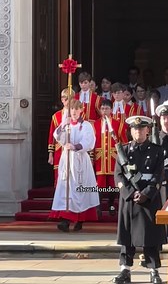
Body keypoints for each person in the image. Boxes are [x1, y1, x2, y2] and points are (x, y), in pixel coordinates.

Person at [113, 115, 165, 284]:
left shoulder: (156, 150)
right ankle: (125, 270)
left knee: (150, 237)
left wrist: (147, 193)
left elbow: (159, 175)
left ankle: (153, 270)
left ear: (147, 130)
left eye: (141, 128)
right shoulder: (125, 151)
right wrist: (129, 193)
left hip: (148, 198)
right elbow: (119, 176)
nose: (138, 131)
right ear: (131, 131)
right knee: (127, 236)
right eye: (135, 129)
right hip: (129, 200)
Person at [49, 99, 99, 231]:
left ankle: (79, 219)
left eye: (77, 109)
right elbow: (57, 136)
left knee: (79, 189)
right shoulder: (67, 124)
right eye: (72, 109)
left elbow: (89, 141)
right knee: (66, 188)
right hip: (67, 159)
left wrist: (76, 146)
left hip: (80, 159)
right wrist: (62, 126)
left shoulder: (86, 125)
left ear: (81, 110)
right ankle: (65, 219)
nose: (74, 112)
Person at [93, 99, 127, 217]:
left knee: (113, 185)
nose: (104, 111)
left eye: (107, 108)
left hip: (113, 159)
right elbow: (92, 142)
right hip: (100, 159)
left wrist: (122, 158)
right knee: (100, 185)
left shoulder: (118, 124)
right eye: (102, 109)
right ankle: (99, 207)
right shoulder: (95, 124)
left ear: (111, 110)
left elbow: (123, 143)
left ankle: (112, 205)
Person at [48, 88, 73, 186]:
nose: (68, 101)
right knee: (59, 177)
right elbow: (51, 136)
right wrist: (51, 154)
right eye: (65, 99)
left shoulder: (78, 114)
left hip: (72, 149)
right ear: (62, 100)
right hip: (59, 150)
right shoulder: (56, 116)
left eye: (70, 99)